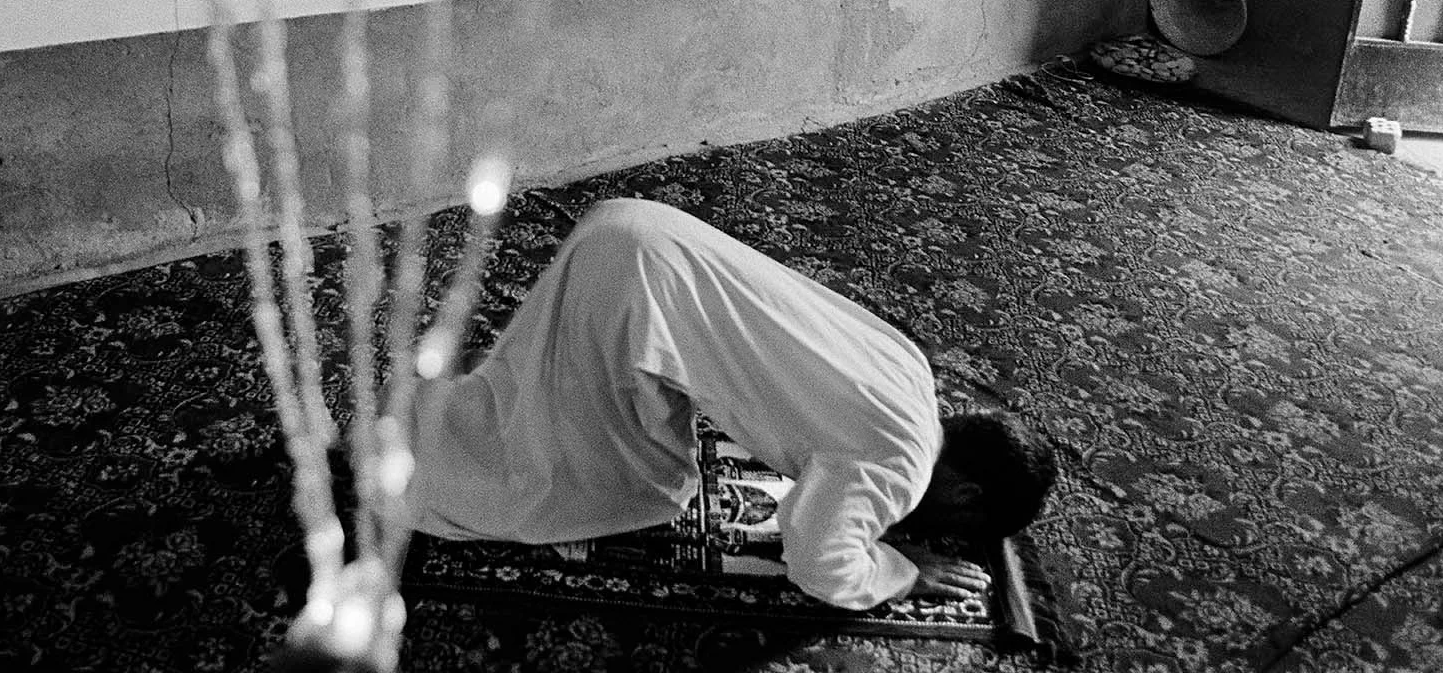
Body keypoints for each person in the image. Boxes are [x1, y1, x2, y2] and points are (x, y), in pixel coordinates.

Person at [404, 197, 1058, 610]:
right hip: (630, 298)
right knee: (637, 489)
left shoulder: (914, 375)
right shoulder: (901, 468)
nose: (918, 525)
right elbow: (819, 563)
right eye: (953, 526)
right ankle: (410, 469)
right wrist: (901, 570)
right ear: (968, 494)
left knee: (550, 408)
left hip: (635, 226)